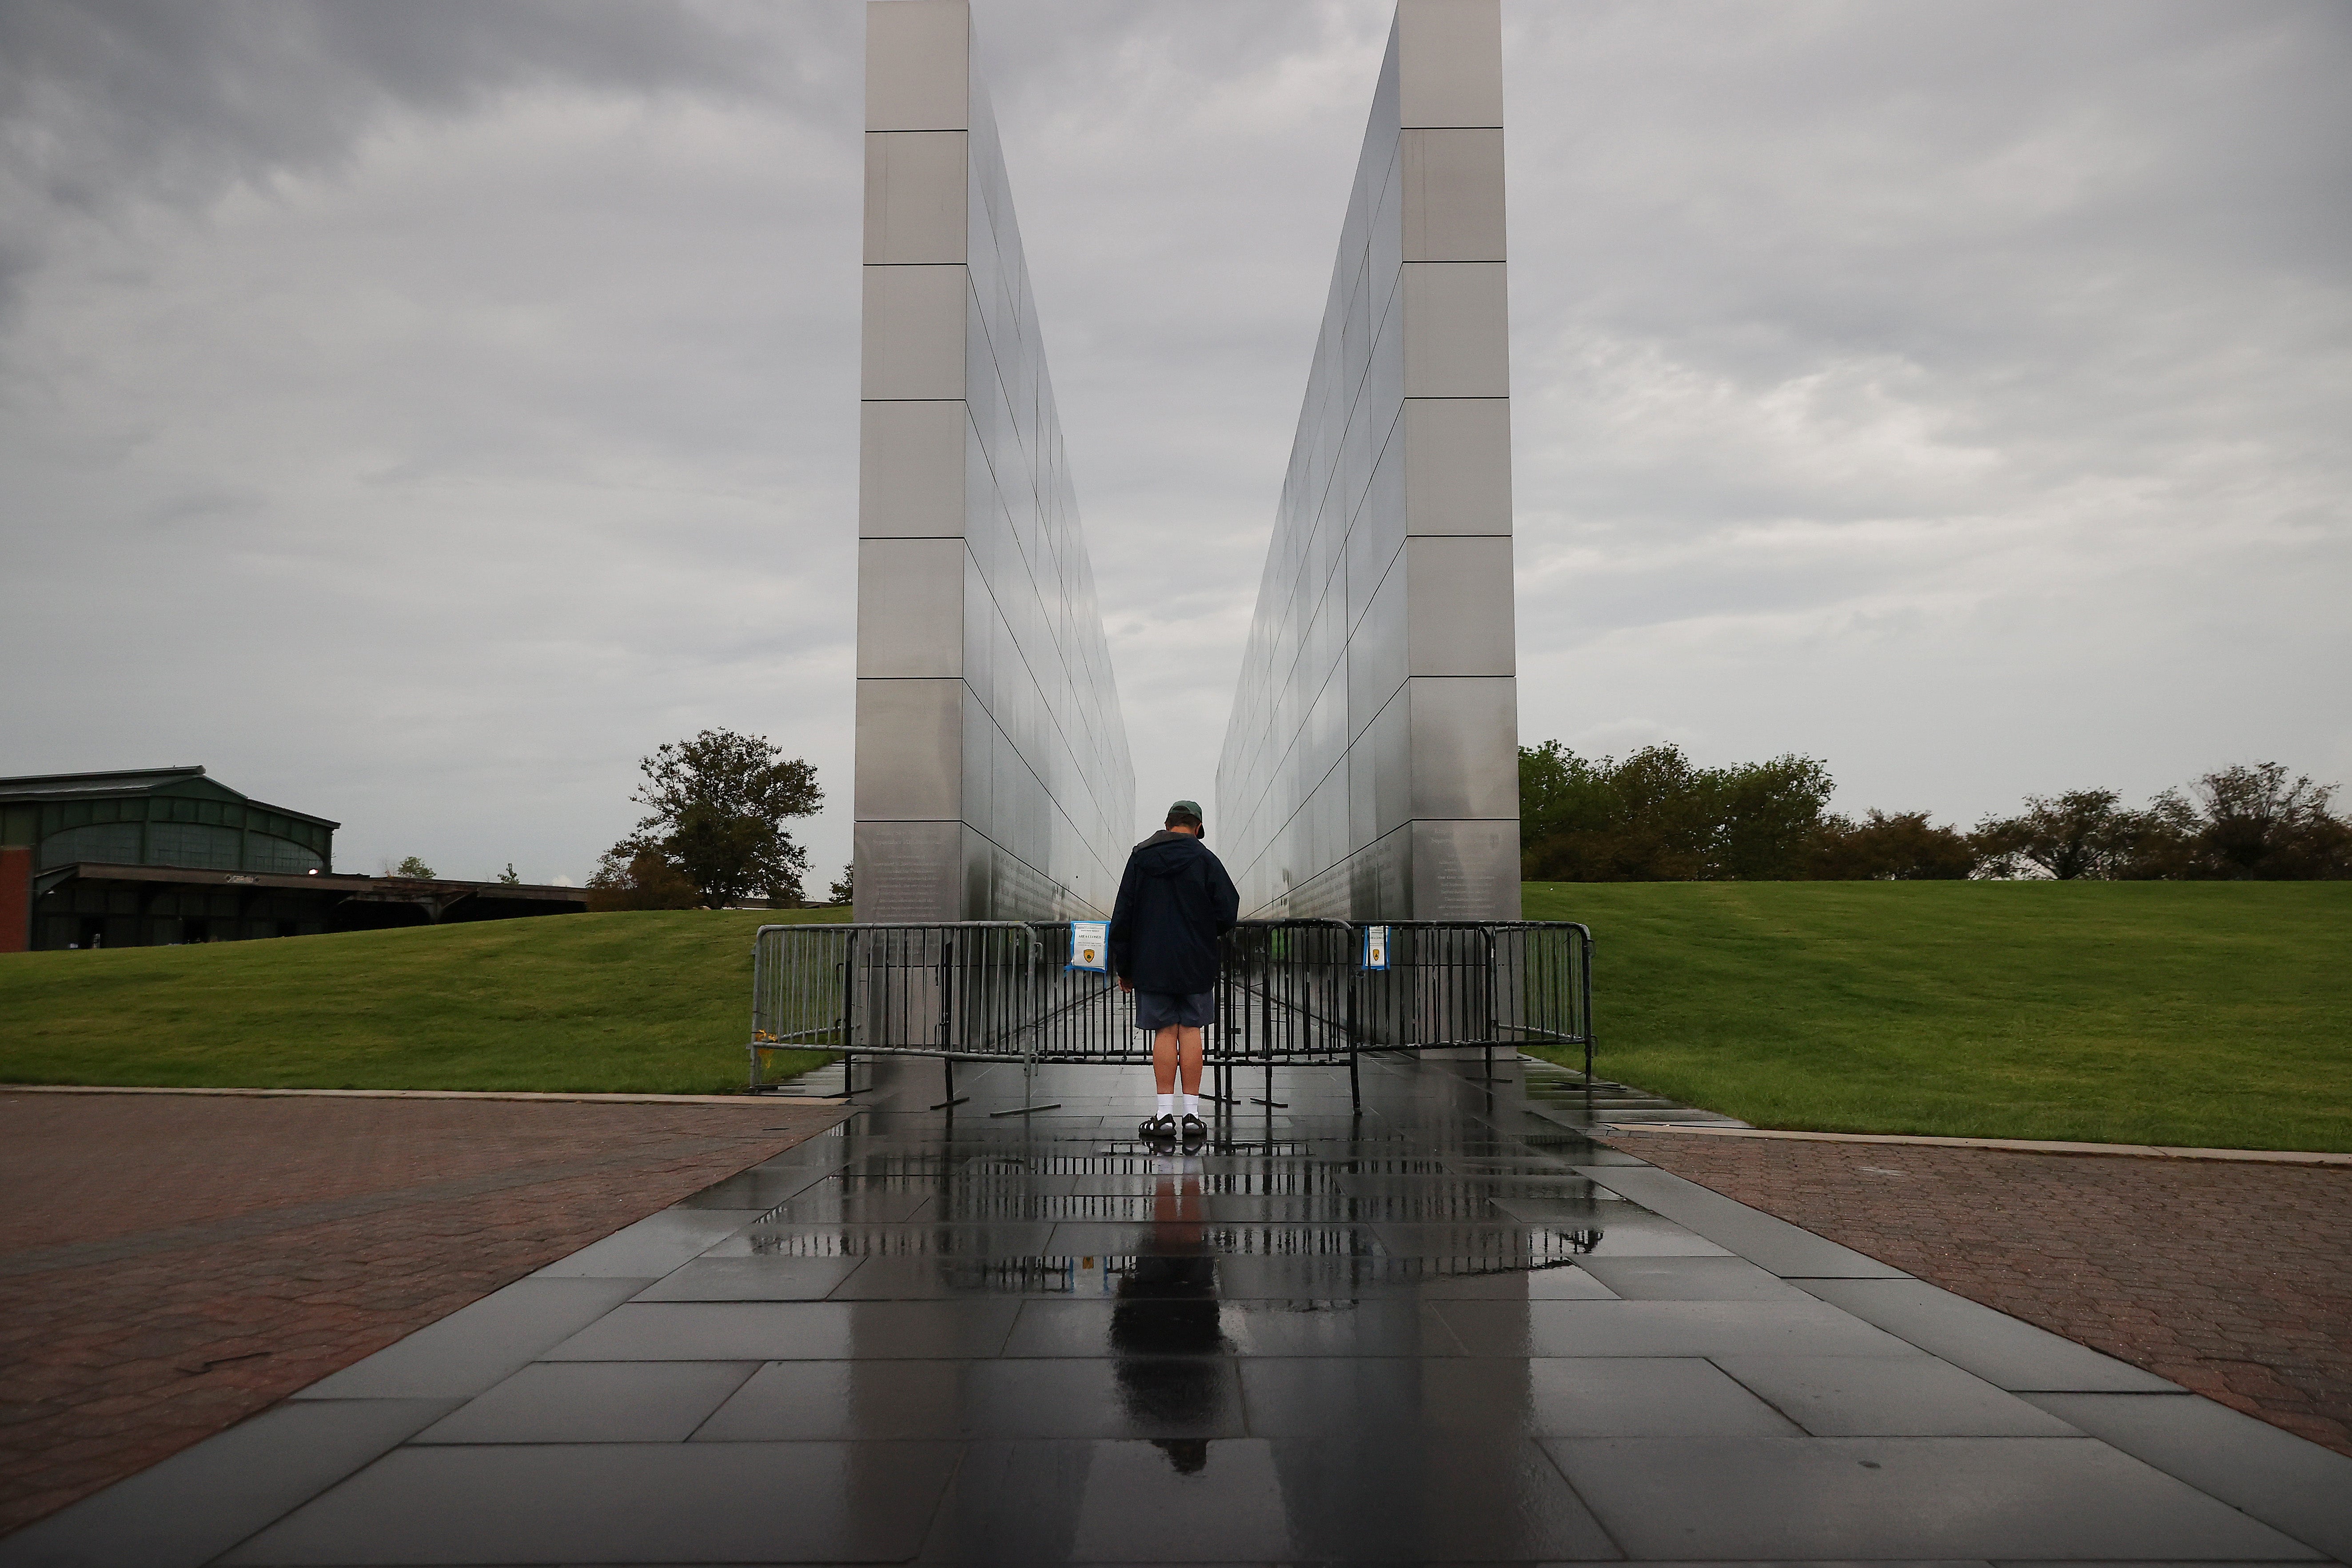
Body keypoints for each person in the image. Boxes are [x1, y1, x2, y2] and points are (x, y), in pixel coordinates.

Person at [1108, 798, 1239, 1145]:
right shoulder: (1206, 859)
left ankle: (1165, 1116)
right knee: (1191, 1030)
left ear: (1167, 825)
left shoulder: (1140, 858)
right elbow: (1229, 910)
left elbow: (1123, 915)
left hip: (1152, 961)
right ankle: (1192, 1115)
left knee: (1165, 1032)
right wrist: (1203, 929)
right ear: (1197, 828)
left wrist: (1124, 966)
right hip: (1196, 959)